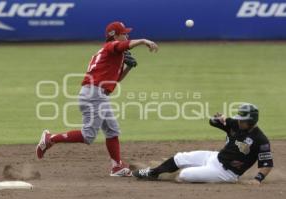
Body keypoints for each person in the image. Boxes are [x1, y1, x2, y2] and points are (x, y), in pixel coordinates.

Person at [36, 21, 158, 177]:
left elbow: (115, 80)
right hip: (94, 95)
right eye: (124, 33)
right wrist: (143, 41)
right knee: (88, 136)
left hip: (97, 94)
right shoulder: (111, 47)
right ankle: (50, 138)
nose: (127, 35)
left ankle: (117, 167)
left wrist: (128, 67)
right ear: (115, 35)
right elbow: (124, 45)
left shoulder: (112, 54)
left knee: (112, 130)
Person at [133, 103, 273, 184]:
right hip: (215, 157)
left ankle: (173, 174)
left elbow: (267, 164)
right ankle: (153, 172)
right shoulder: (236, 124)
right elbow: (212, 122)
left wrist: (258, 179)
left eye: (243, 120)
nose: (239, 121)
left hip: (226, 173)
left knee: (184, 175)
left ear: (251, 121)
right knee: (180, 157)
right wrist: (217, 119)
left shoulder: (260, 139)